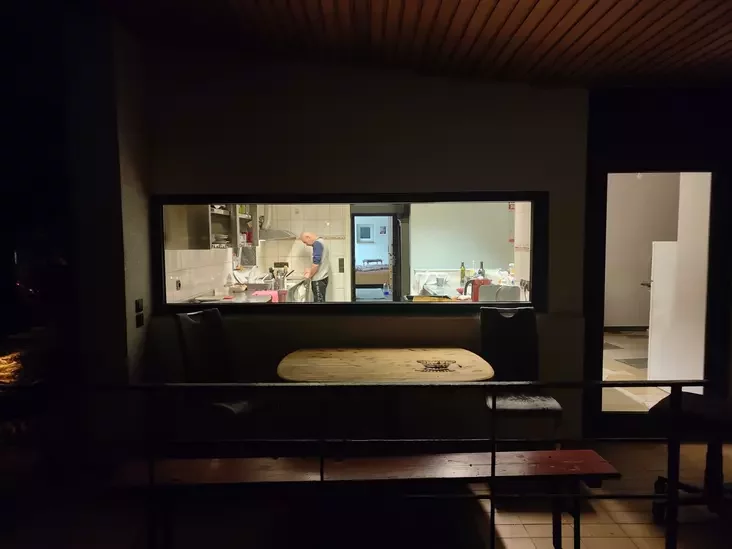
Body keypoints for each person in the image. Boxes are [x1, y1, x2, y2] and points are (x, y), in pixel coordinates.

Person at [298, 232, 331, 302]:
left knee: (318, 301)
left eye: (305, 242)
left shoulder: (317, 244)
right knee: (321, 300)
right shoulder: (322, 241)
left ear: (308, 237)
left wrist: (309, 276)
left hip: (318, 279)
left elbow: (316, 264)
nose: (306, 244)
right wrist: (310, 270)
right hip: (323, 277)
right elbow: (321, 261)